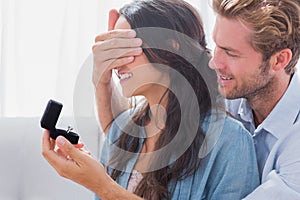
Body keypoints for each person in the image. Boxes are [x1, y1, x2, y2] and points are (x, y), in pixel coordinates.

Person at [42, 0, 260, 199]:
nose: (116, 62)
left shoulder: (229, 141)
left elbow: (105, 190)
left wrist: (103, 186)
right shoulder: (122, 131)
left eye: (125, 47)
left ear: (171, 46)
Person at [208, 0, 300, 199]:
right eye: (216, 46)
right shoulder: (229, 95)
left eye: (230, 53)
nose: (214, 62)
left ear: (279, 60)